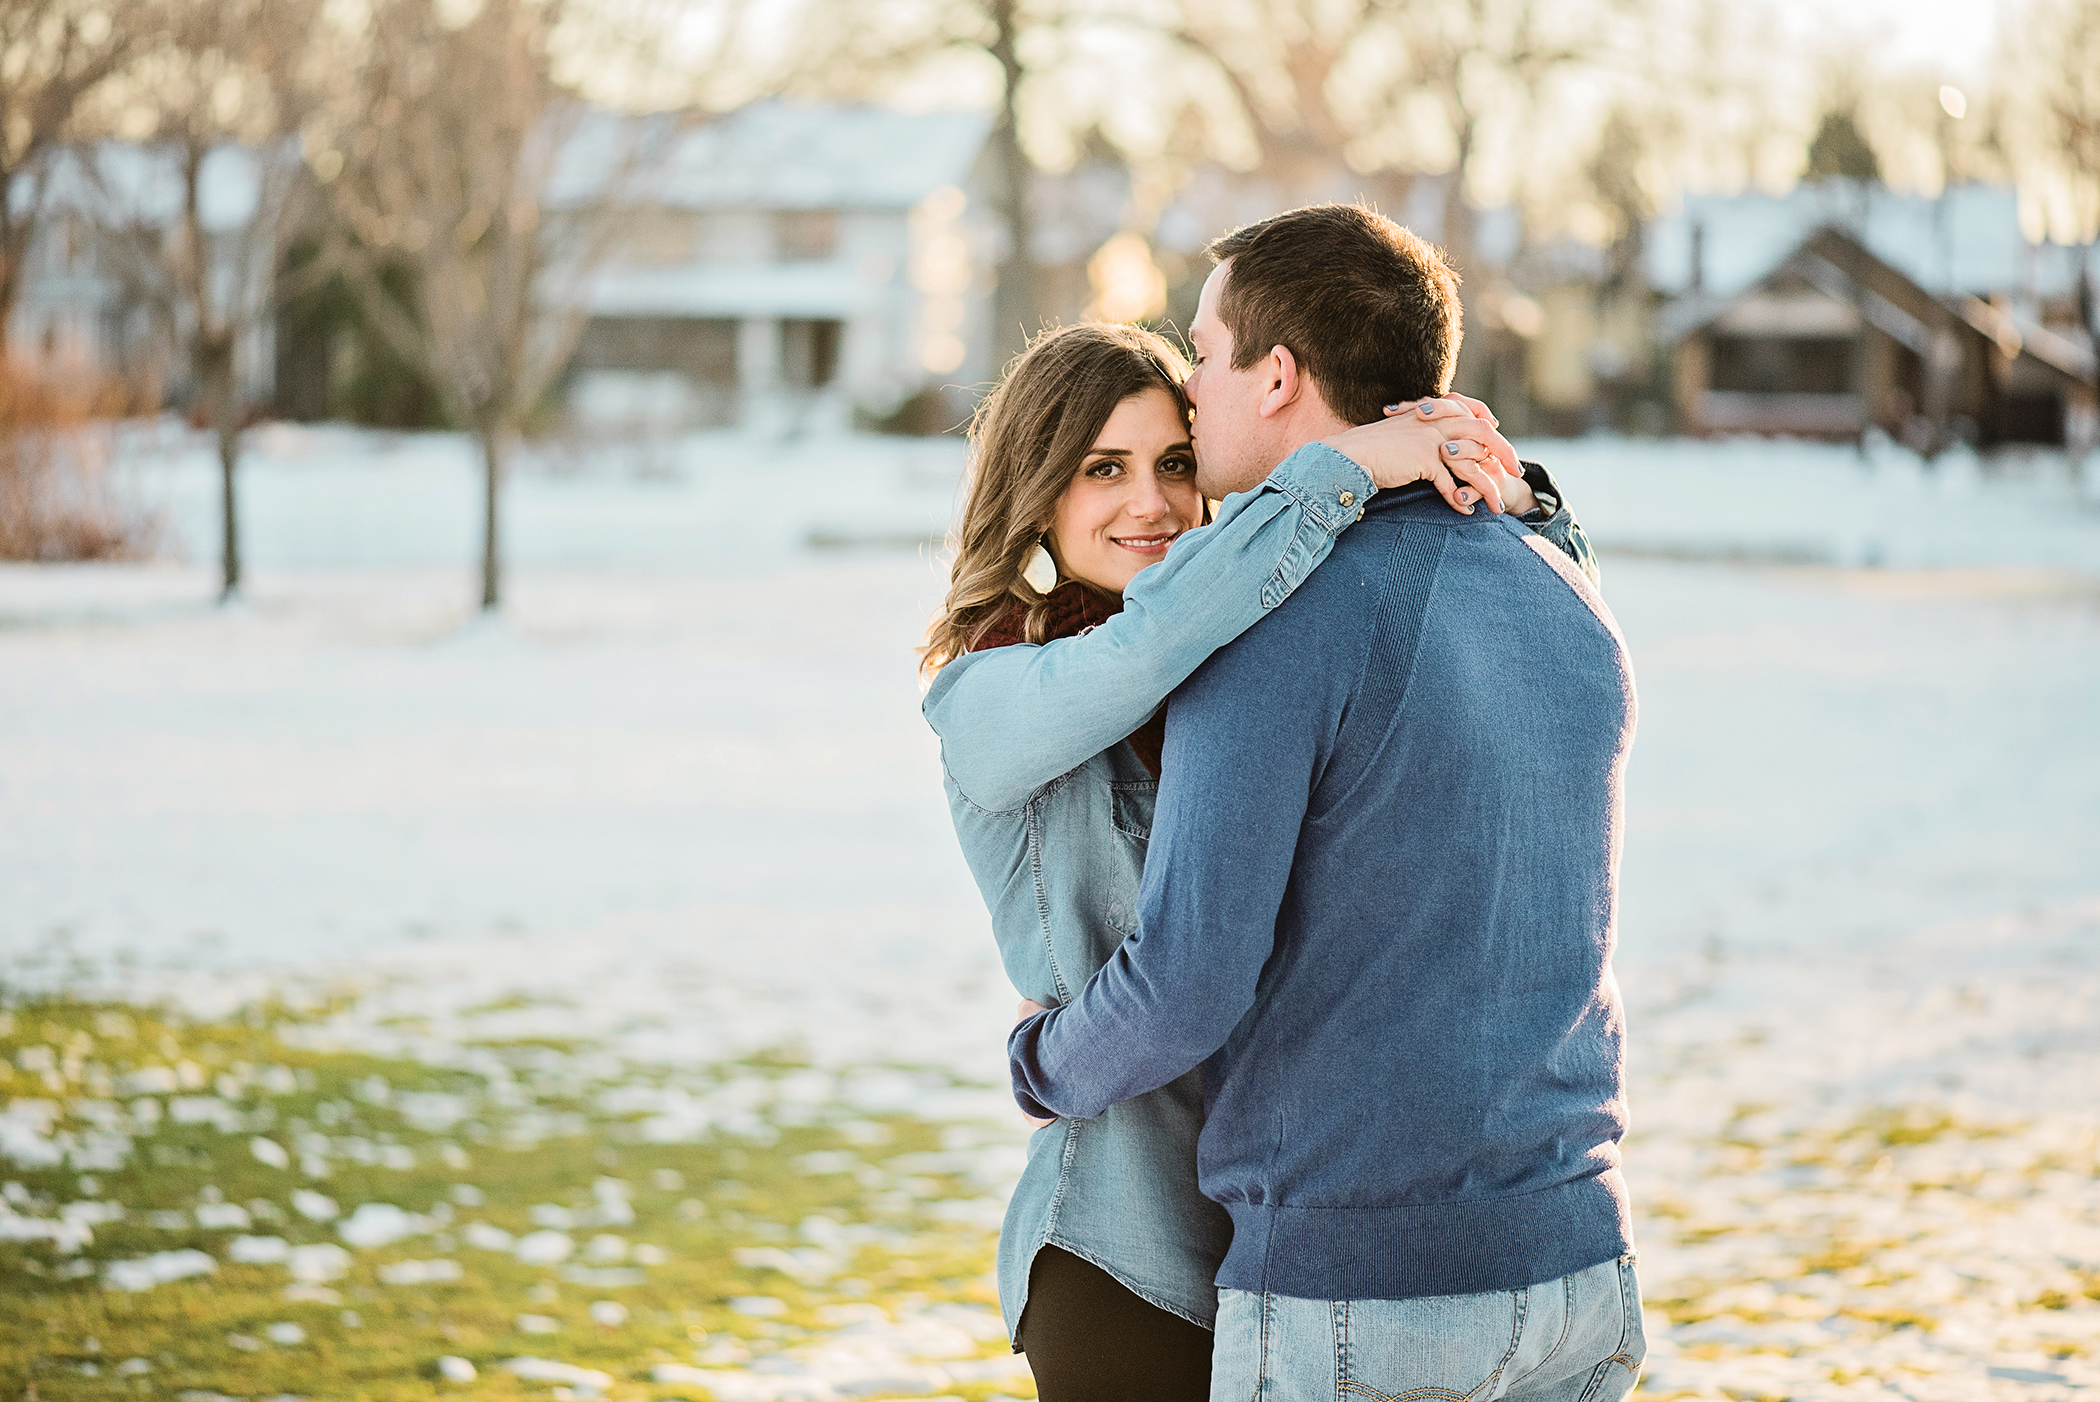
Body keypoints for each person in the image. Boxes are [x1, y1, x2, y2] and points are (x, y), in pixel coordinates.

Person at [1007, 205, 1644, 1402]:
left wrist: (1041, 1061)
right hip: (1577, 1268)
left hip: (1364, 1291)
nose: (1190, 391)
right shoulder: (1564, 584)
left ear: (1280, 374)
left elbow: (1185, 980)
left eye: (1202, 355)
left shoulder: (1272, 625)